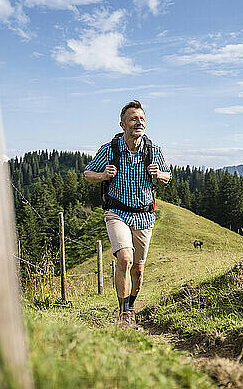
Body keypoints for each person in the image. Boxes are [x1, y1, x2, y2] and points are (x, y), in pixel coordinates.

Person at [84, 100, 171, 327]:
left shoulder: (154, 151)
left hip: (144, 215)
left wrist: (159, 174)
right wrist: (103, 175)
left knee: (138, 270)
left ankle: (130, 304)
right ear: (123, 124)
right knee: (125, 259)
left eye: (142, 119)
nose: (138, 122)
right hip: (117, 213)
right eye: (133, 118)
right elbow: (87, 174)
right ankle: (124, 313)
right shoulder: (110, 149)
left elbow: (167, 178)